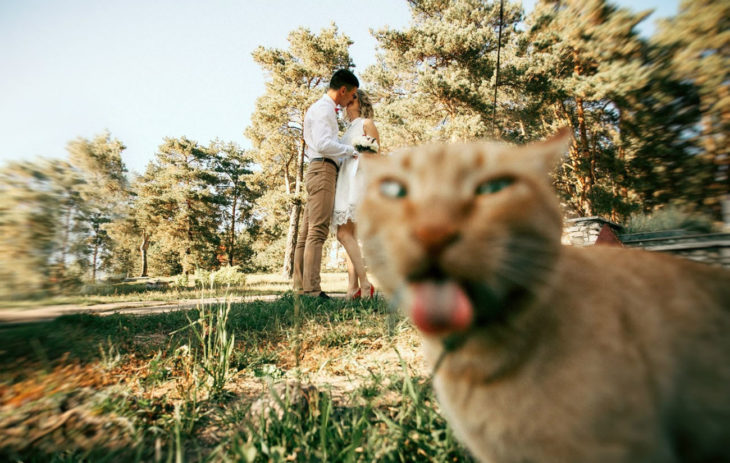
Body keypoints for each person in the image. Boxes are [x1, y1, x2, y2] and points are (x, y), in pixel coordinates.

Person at [293, 69, 360, 299]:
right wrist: (351, 151)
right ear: (343, 90)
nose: (351, 101)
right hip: (322, 169)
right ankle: (312, 290)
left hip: (317, 168)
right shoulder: (323, 109)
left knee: (306, 232)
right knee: (317, 231)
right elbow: (323, 144)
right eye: (352, 96)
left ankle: (300, 287)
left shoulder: (321, 108)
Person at [332, 89, 379, 299]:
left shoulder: (366, 123)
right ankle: (352, 289)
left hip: (357, 181)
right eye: (348, 99)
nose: (349, 102)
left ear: (361, 103)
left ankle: (366, 284)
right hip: (344, 180)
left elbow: (375, 156)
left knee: (343, 234)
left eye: (354, 99)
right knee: (349, 236)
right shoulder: (347, 129)